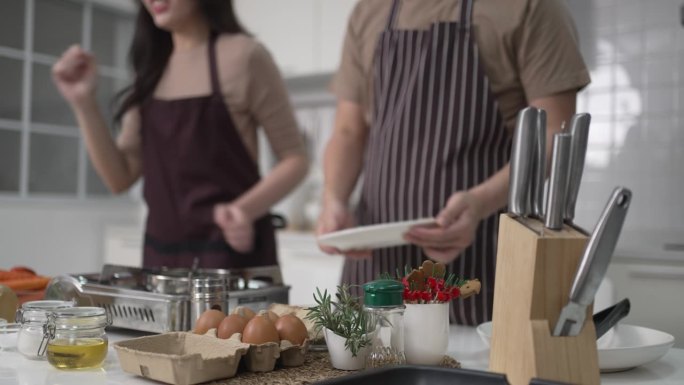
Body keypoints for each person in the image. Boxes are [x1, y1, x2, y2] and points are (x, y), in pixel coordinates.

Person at [317, 0, 590, 325]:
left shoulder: (529, 7)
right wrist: (333, 197)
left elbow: (554, 132)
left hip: (480, 262)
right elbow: (348, 130)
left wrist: (479, 202)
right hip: (376, 271)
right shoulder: (370, 10)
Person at [52, 0, 308, 269]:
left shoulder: (245, 56)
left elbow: (295, 158)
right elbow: (120, 177)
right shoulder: (149, 71)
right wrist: (83, 103)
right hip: (162, 261)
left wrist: (243, 210)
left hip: (231, 256)